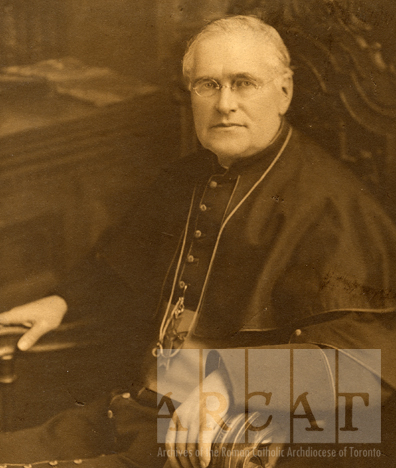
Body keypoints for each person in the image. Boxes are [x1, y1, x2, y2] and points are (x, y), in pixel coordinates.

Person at [0, 15, 395, 468]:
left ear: (284, 91)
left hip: (208, 445)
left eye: (243, 83)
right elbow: (120, 263)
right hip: (125, 414)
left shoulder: (335, 207)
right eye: (208, 85)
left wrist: (232, 380)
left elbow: (368, 366)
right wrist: (62, 301)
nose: (225, 103)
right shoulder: (185, 176)